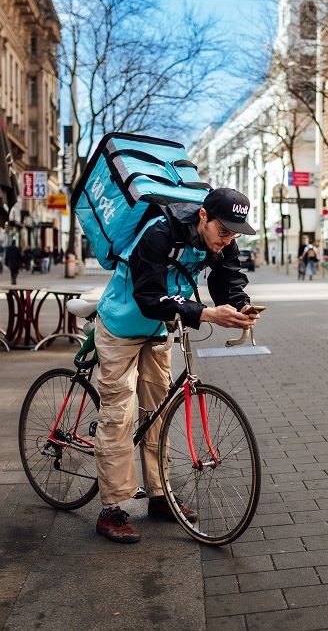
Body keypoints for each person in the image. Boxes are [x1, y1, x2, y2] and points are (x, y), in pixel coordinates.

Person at [93, 188, 259, 543]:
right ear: (203, 216)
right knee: (118, 413)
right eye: (223, 231)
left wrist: (241, 304)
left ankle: (160, 494)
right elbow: (149, 297)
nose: (228, 239)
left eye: (234, 233)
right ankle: (112, 507)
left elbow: (228, 278)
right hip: (121, 325)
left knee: (159, 413)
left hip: (158, 329)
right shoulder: (159, 233)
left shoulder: (221, 240)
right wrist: (204, 312)